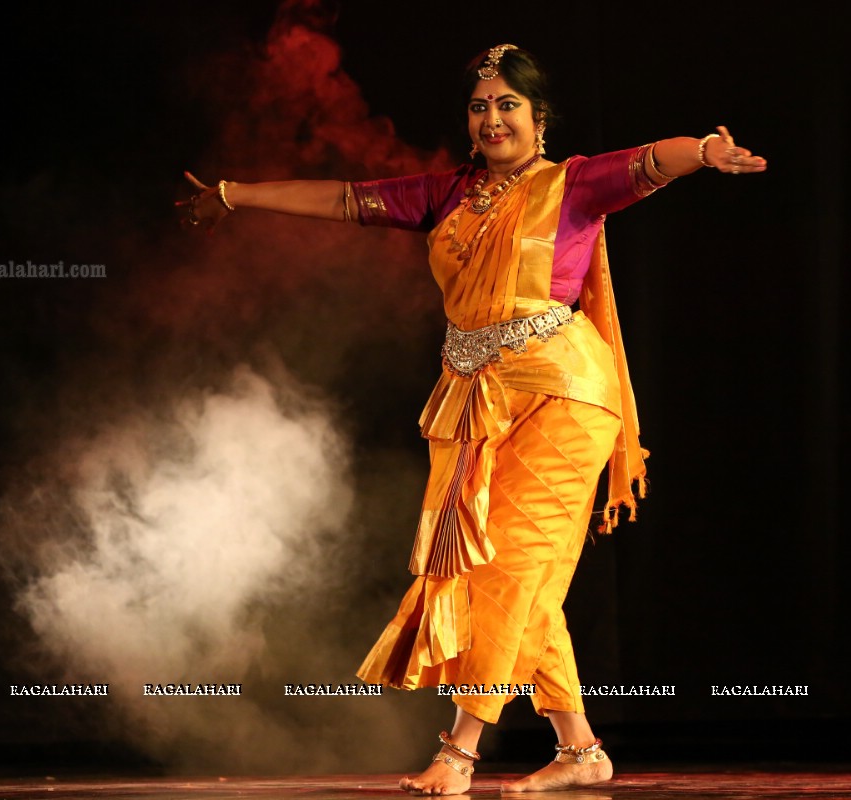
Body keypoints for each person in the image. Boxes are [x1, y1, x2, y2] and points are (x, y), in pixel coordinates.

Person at [180, 43, 765, 796]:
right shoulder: (446, 194)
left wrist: (707, 152)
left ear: (539, 118)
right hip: (477, 400)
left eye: (509, 105)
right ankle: (581, 750)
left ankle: (459, 754)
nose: (493, 118)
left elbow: (652, 161)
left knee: (512, 566)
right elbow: (343, 198)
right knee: (512, 573)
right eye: (481, 106)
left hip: (565, 393)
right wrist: (233, 193)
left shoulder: (572, 185)